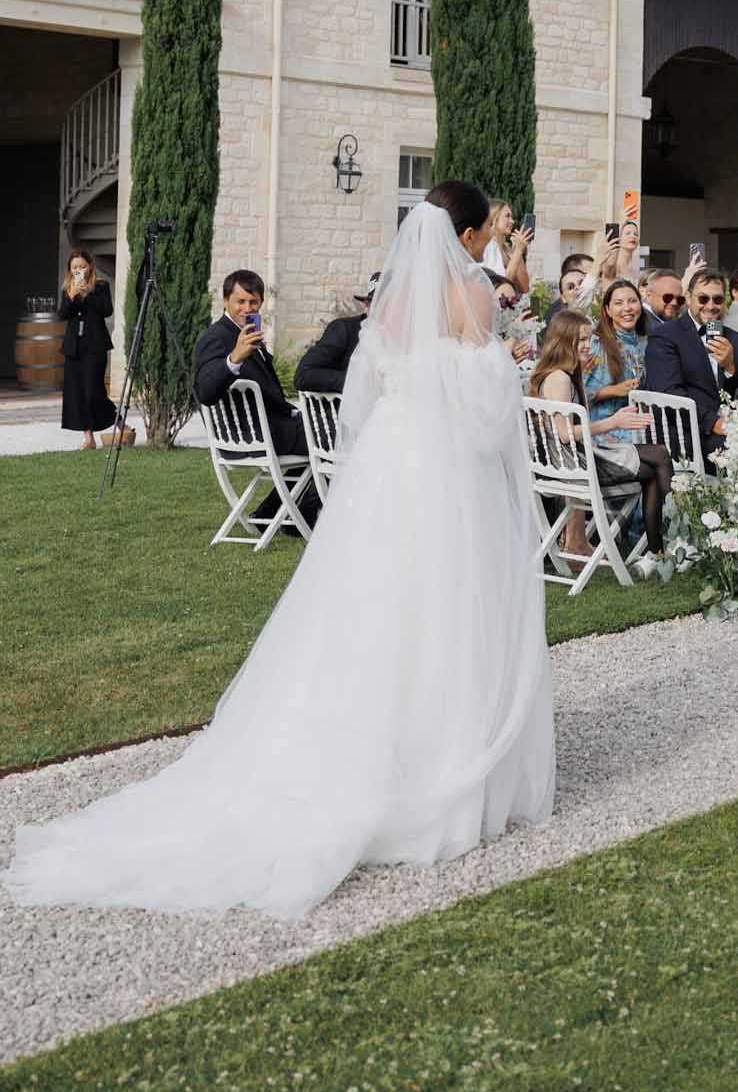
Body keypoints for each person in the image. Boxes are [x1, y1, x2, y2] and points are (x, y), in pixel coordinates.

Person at [4, 182, 555, 919]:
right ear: (466, 234)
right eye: (486, 230)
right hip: (448, 472)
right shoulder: (477, 302)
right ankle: (439, 766)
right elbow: (490, 413)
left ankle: (354, 740)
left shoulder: (388, 305)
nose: (491, 241)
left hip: (390, 470)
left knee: (367, 603)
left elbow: (367, 396)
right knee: (447, 602)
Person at [529, 310, 671, 554]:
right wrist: (613, 422)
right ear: (564, 340)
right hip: (576, 466)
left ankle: (657, 550)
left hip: (570, 462)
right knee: (658, 458)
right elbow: (564, 434)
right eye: (582, 340)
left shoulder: (562, 375)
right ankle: (665, 545)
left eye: (589, 339)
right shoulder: (559, 379)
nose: (588, 346)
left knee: (657, 460)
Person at [193, 268, 320, 530]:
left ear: (261, 302)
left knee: (324, 431)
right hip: (247, 436)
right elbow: (205, 392)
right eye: (240, 301)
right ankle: (304, 514)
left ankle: (276, 515)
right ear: (226, 300)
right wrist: (233, 359)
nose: (247, 308)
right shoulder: (216, 337)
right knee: (333, 438)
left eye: (253, 302)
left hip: (268, 429)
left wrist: (294, 412)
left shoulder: (250, 333)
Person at [643, 267, 738, 461]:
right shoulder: (665, 336)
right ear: (688, 298)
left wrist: (731, 367)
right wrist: (713, 422)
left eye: (718, 300)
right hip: (684, 434)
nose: (711, 306)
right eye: (703, 299)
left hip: (729, 434)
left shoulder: (734, 339)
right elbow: (668, 394)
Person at [56, 247, 117, 449]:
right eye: (75, 267)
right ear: (69, 269)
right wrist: (73, 295)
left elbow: (106, 310)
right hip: (74, 348)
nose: (78, 270)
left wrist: (87, 293)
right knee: (78, 393)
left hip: (95, 346)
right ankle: (88, 437)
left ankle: (118, 419)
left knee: (94, 391)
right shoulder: (67, 289)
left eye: (82, 266)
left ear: (90, 267)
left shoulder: (100, 286)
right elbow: (62, 314)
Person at [295, 272, 377, 396]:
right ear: (367, 303)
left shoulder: (405, 339)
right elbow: (304, 375)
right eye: (380, 303)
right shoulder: (344, 329)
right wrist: (358, 381)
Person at [586, 280, 651, 434]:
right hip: (606, 427)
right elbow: (579, 391)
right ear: (608, 310)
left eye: (633, 301)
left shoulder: (646, 342)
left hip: (643, 421)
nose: (627, 308)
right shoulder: (596, 343)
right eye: (618, 303)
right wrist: (613, 390)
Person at [481, 199, 532, 295]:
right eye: (507, 216)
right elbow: (501, 283)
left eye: (511, 217)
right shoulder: (489, 246)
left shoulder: (508, 249)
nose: (512, 221)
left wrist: (517, 251)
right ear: (494, 218)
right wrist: (518, 251)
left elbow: (524, 288)